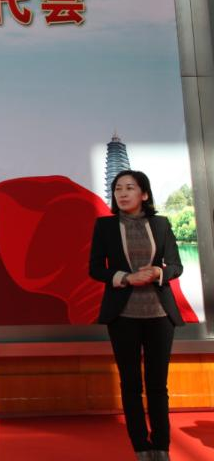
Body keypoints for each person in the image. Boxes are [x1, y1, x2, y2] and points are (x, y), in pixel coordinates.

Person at [89, 170, 184, 461]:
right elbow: (96, 269)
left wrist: (158, 272)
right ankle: (141, 447)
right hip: (123, 315)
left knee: (157, 385)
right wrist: (126, 278)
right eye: (118, 188)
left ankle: (162, 446)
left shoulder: (161, 224)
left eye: (130, 188)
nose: (122, 193)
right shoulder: (105, 226)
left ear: (144, 194)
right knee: (130, 384)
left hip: (159, 314)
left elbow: (176, 266)